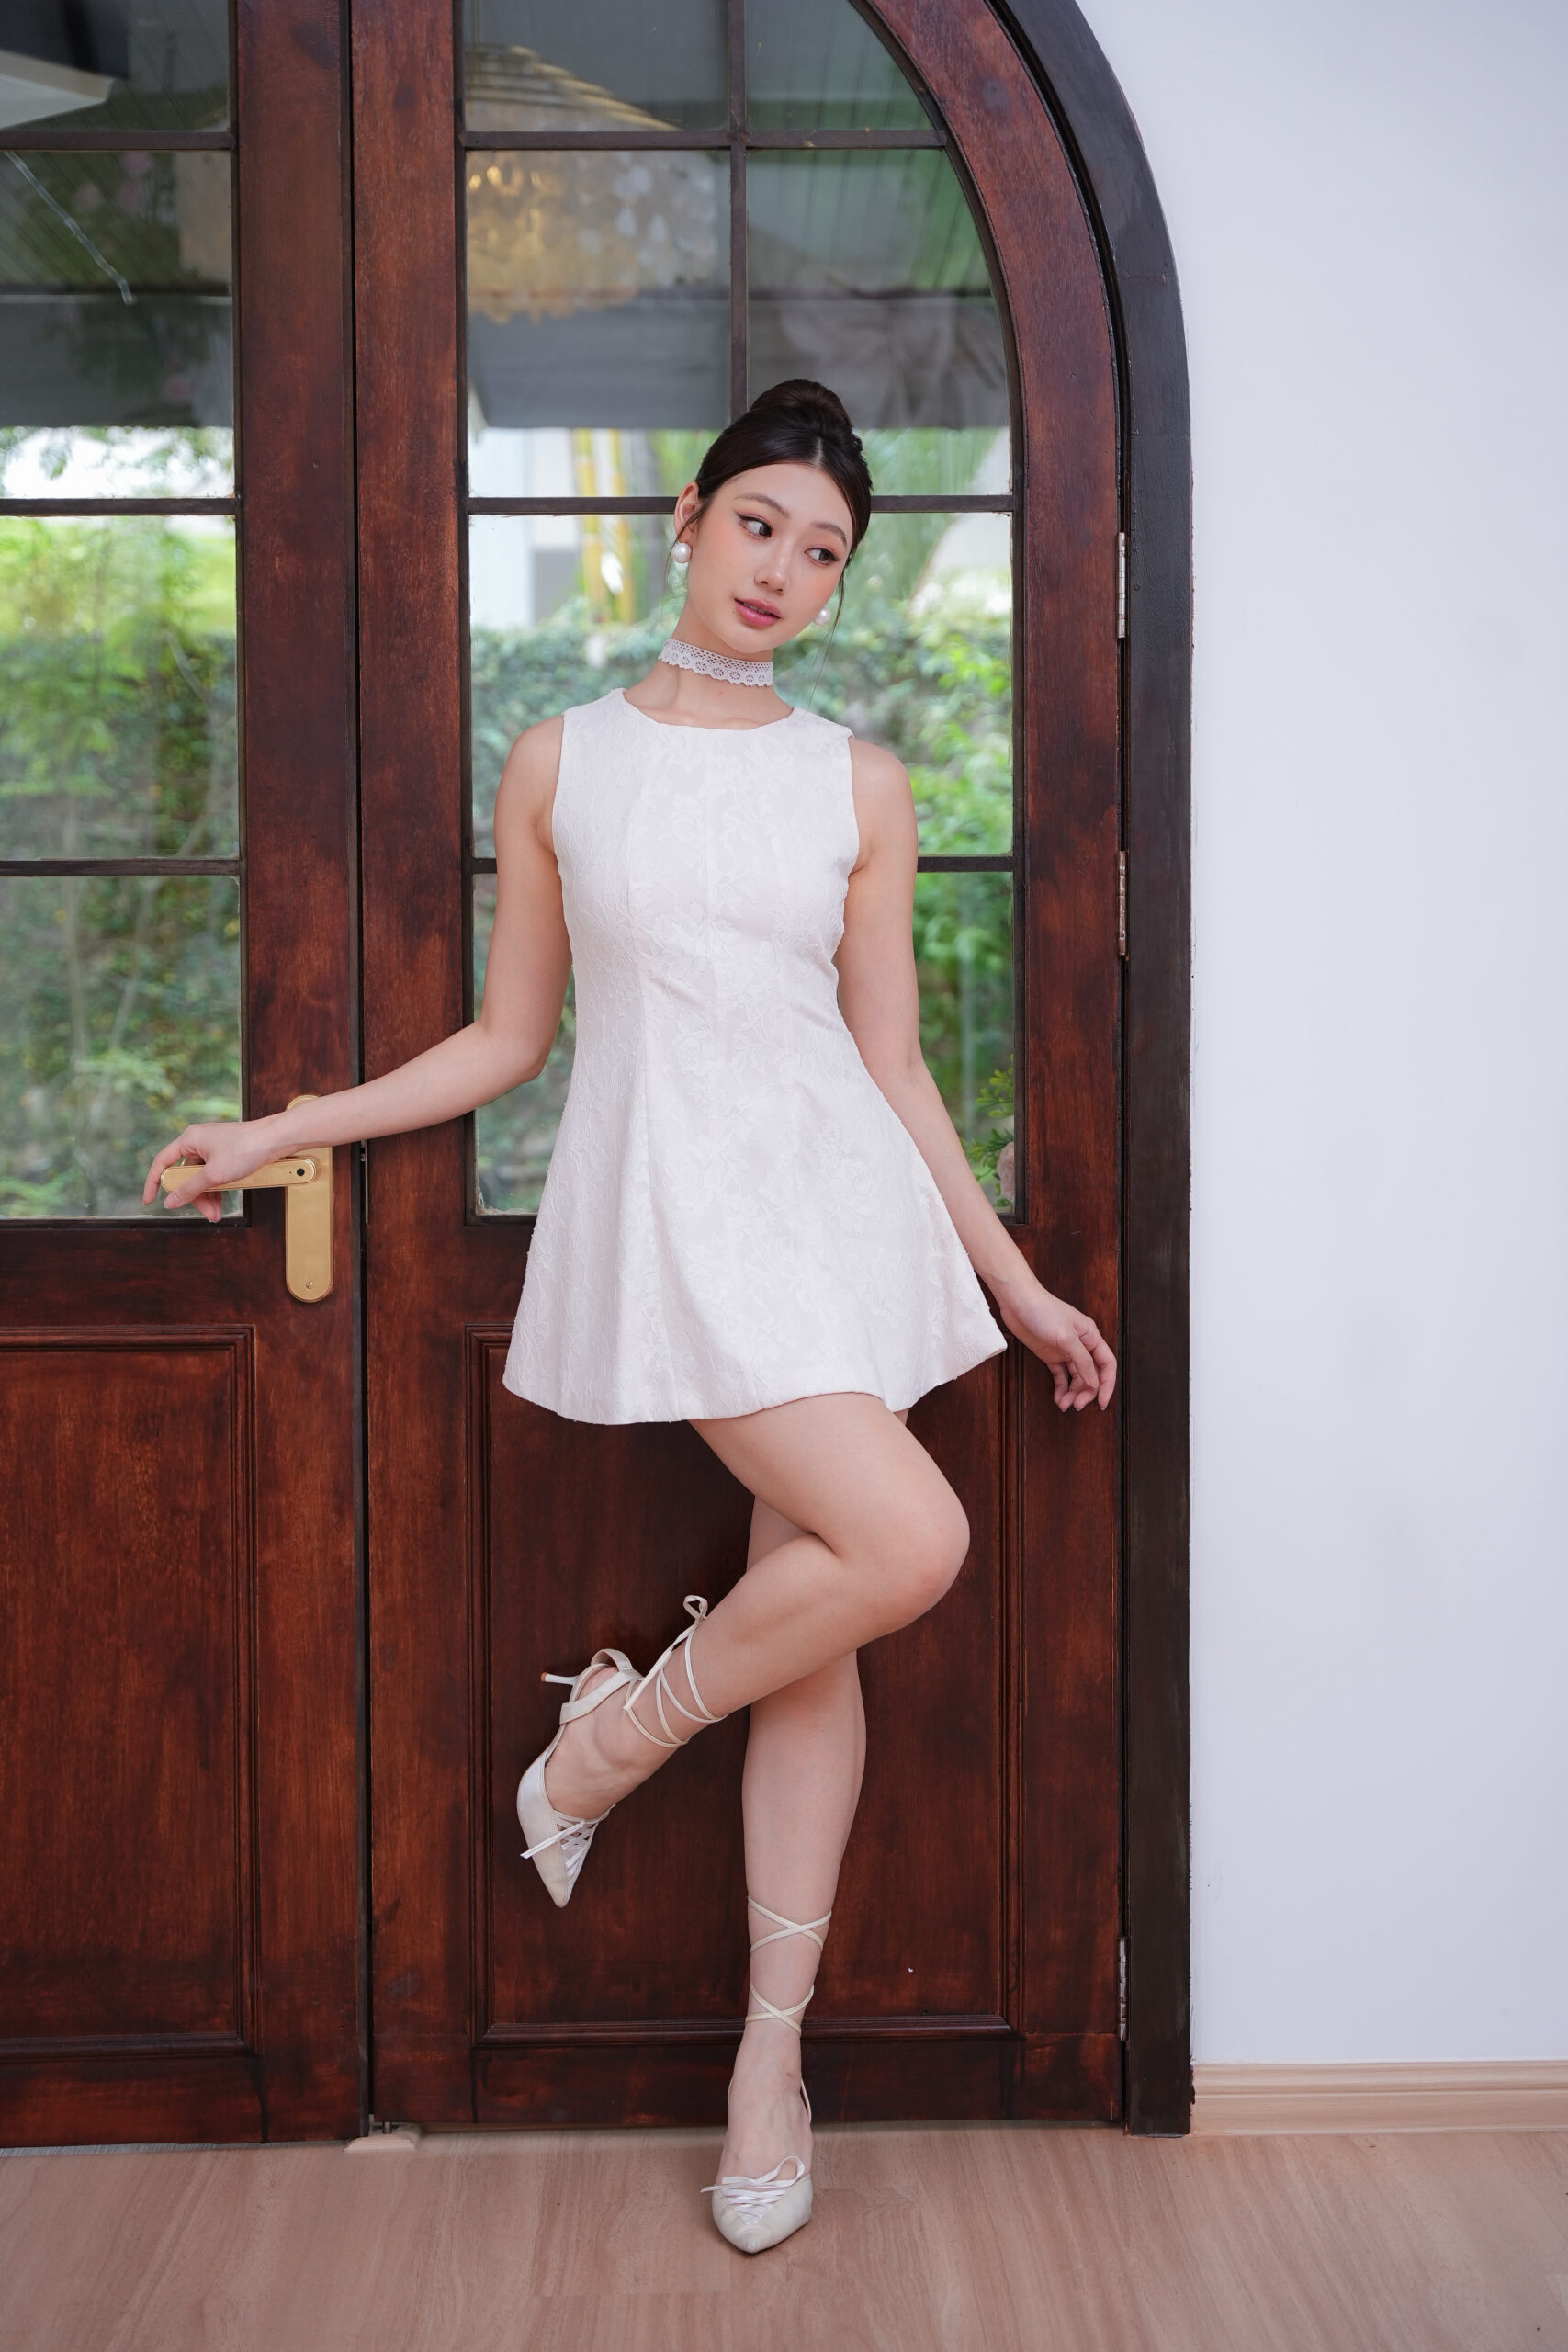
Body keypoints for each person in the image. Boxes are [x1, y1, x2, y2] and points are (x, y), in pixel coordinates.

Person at [143, 379, 1116, 2256]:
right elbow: (508, 1040)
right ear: (687, 516)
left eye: (823, 551)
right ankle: (602, 1745)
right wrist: (284, 1127)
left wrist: (1008, 1279)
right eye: (759, 523)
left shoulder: (856, 780)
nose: (783, 570)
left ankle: (766, 2055)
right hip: (681, 1223)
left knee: (824, 1622)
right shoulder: (561, 760)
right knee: (904, 1543)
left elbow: (894, 1063)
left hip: (839, 1222)